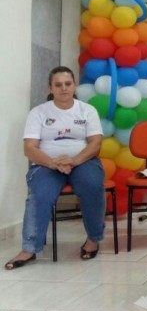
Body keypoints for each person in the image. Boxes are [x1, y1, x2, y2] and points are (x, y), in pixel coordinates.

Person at [5, 66, 105, 270]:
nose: (63, 88)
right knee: (39, 194)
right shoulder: (38, 113)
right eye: (58, 85)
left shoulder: (87, 110)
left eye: (68, 84)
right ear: (50, 87)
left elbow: (96, 144)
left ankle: (93, 239)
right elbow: (29, 148)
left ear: (74, 85)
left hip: (83, 162)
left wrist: (74, 161)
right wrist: (53, 163)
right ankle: (29, 248)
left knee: (92, 186)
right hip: (47, 164)